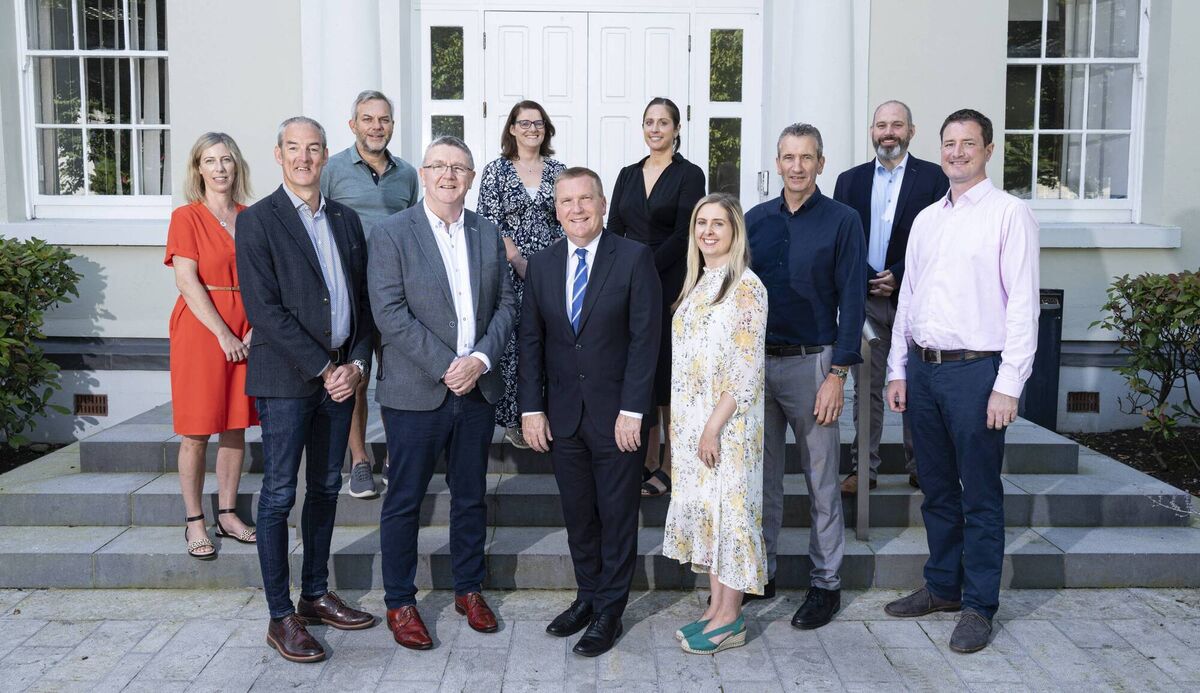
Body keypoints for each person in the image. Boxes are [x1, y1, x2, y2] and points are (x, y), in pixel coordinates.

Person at [883, 109, 1039, 654]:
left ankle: (978, 605)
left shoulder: (1009, 215)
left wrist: (1009, 384)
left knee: (981, 496)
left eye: (967, 144)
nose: (956, 153)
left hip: (978, 372)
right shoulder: (927, 219)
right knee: (938, 491)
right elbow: (908, 298)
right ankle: (943, 586)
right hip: (924, 372)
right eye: (949, 143)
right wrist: (899, 368)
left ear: (988, 150)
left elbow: (1023, 305)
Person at [237, 116, 377, 664]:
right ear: (277, 155)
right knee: (278, 495)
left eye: (313, 148)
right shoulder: (258, 221)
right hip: (288, 380)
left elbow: (363, 303)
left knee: (323, 489)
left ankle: (315, 594)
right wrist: (325, 367)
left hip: (340, 381)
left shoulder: (345, 218)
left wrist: (357, 365)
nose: (303, 158)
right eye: (293, 148)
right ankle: (280, 616)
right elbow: (263, 310)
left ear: (325, 155)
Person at [368, 135, 517, 650]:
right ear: (424, 174)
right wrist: (446, 364)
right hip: (415, 392)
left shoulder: (486, 231)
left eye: (459, 167)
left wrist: (477, 360)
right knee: (405, 499)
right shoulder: (392, 234)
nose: (449, 175)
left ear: (472, 178)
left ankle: (468, 589)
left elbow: (506, 306)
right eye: (439, 166)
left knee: (471, 497)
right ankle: (400, 601)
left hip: (476, 389)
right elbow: (388, 312)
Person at [519, 167, 662, 657]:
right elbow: (531, 341)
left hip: (617, 417)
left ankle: (610, 611)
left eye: (586, 199)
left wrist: (634, 411)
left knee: (617, 515)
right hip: (563, 417)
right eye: (566, 201)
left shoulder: (633, 258)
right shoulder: (541, 265)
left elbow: (647, 341)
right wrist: (531, 409)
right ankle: (587, 595)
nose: (576, 209)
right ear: (555, 209)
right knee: (579, 515)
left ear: (602, 204)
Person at [746, 123, 866, 626]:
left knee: (820, 480)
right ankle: (764, 569)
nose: (797, 166)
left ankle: (825, 584)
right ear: (777, 163)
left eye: (807, 157)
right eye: (789, 157)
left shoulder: (843, 220)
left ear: (821, 162)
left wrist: (838, 372)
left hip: (813, 363)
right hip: (756, 366)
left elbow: (854, 299)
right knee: (764, 477)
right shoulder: (753, 220)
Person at [662, 193, 767, 655]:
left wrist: (710, 428)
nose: (707, 231)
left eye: (718, 224)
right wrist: (679, 429)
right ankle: (716, 608)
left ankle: (731, 618)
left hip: (728, 426)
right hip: (692, 426)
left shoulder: (747, 286)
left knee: (733, 514)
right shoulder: (699, 282)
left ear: (734, 231)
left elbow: (745, 371)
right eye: (701, 223)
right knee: (712, 517)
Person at [833, 100, 950, 494]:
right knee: (867, 390)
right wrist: (870, 278)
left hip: (914, 299)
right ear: (871, 131)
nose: (888, 132)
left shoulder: (934, 179)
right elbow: (844, 240)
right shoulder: (849, 181)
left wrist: (897, 276)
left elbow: (938, 239)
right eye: (881, 125)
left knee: (916, 386)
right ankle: (863, 470)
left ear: (911, 132)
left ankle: (922, 467)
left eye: (896, 125)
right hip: (864, 300)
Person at [321, 89, 421, 500]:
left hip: (398, 290)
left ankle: (396, 457)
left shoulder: (408, 174)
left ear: (392, 126)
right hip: (352, 291)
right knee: (357, 378)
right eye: (368, 119)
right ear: (353, 125)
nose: (376, 127)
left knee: (399, 377)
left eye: (383, 120)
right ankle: (360, 461)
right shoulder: (333, 170)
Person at [165, 132, 258, 560]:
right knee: (197, 430)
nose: (220, 168)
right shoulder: (187, 216)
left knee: (235, 425)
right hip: (203, 330)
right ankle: (194, 521)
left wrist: (256, 327)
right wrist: (224, 334)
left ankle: (227, 513)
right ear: (197, 169)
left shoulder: (250, 217)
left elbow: (264, 279)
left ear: (236, 167)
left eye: (226, 160)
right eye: (210, 160)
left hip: (247, 328)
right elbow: (186, 281)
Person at [607, 97, 706, 498]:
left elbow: (686, 232)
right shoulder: (628, 175)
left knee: (668, 376)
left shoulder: (690, 174)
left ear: (676, 129)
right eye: (649, 122)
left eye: (663, 122)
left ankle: (670, 463)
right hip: (631, 285)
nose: (655, 129)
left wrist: (643, 265)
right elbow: (613, 227)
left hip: (671, 283)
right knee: (639, 372)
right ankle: (644, 459)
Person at [476, 100, 566, 449]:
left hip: (553, 271)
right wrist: (518, 261)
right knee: (513, 342)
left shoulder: (559, 171)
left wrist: (551, 266)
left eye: (539, 123)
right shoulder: (496, 171)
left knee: (552, 339)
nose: (532, 129)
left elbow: (567, 217)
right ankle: (515, 418)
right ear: (511, 129)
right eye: (524, 123)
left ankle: (548, 411)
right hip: (509, 272)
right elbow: (489, 222)